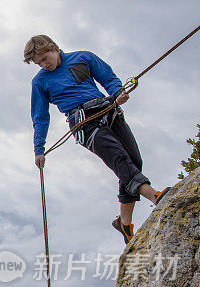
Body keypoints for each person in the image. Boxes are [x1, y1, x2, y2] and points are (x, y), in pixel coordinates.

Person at [24, 35, 170, 244]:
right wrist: (39, 148)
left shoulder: (83, 57)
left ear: (54, 48)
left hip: (109, 110)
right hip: (83, 123)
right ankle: (156, 196)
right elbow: (40, 117)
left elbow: (107, 77)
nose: (44, 65)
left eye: (45, 58)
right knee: (120, 159)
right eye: (39, 63)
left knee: (134, 161)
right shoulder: (39, 82)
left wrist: (118, 92)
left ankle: (124, 223)